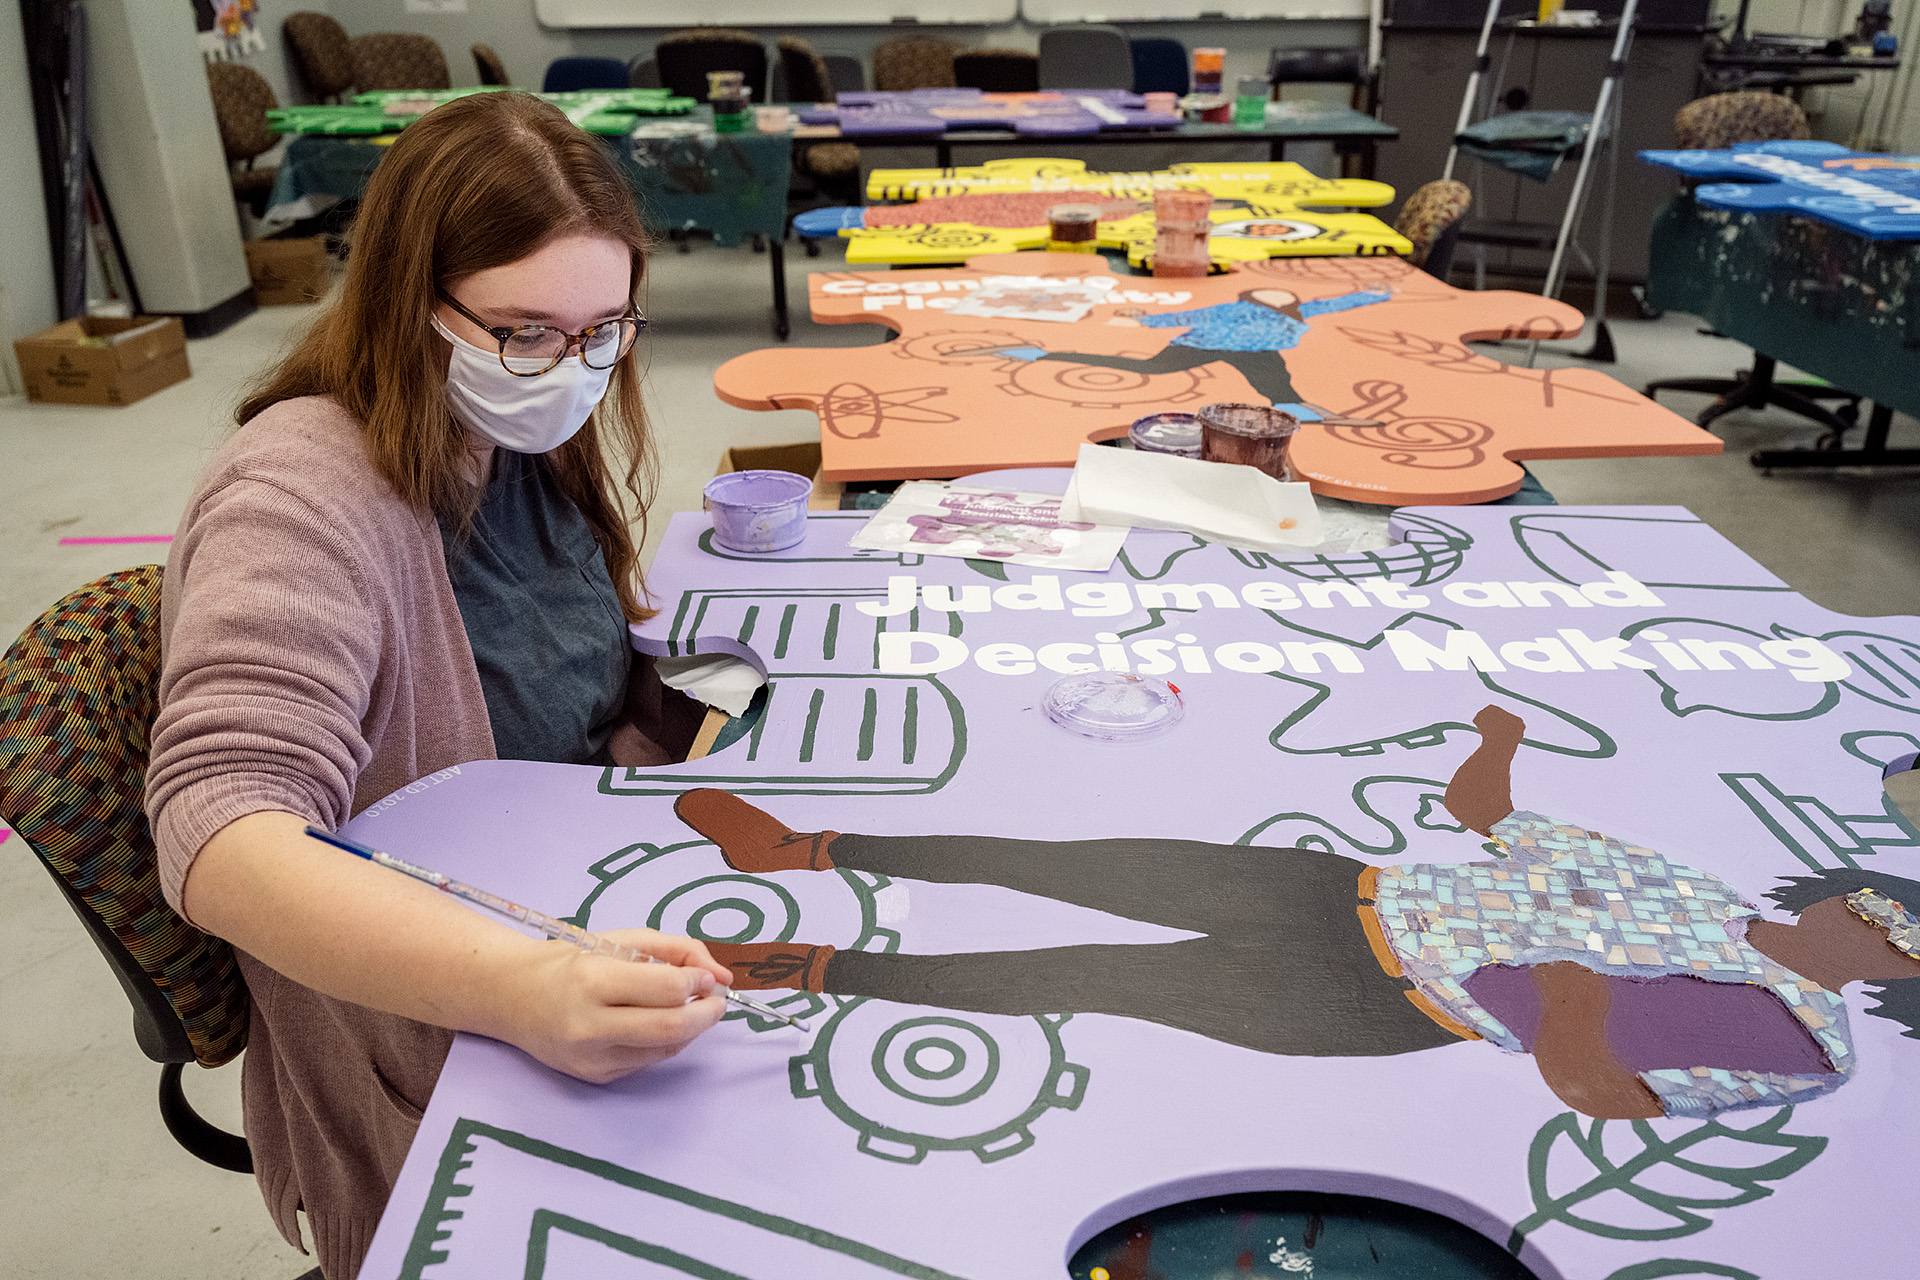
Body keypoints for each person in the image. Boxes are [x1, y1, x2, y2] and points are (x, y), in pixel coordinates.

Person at [145, 92, 732, 1280]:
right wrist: (522, 986)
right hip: (433, 1009)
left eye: (605, 330)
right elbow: (219, 830)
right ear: (412, 298)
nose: (571, 368)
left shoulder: (516, 433)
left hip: (571, 883)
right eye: (525, 331)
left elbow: (573, 648)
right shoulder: (298, 496)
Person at [673, 705, 1920, 1121]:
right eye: (1875, 904)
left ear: (1898, 973)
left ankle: (810, 967)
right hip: (1342, 890)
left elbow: (1597, 1090)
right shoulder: (1698, 890)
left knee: (1074, 973)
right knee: (1068, 861)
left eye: (1896, 936)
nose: (1869, 925)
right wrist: (1497, 739)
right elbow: (1491, 815)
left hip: (1372, 999)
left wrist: (1572, 995)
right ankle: (806, 847)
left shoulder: (1807, 1040)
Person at [1002, 284, 1392, 410]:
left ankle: (1299, 412)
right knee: (1148, 368)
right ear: (1251, 298)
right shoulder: (1229, 308)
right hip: (1202, 344)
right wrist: (1146, 319)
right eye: (1266, 298)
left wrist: (1375, 294)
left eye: (1281, 299)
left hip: (1256, 352)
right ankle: (1044, 354)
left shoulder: (1300, 311)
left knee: (1277, 382)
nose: (1275, 301)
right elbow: (1186, 315)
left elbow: (1334, 303)